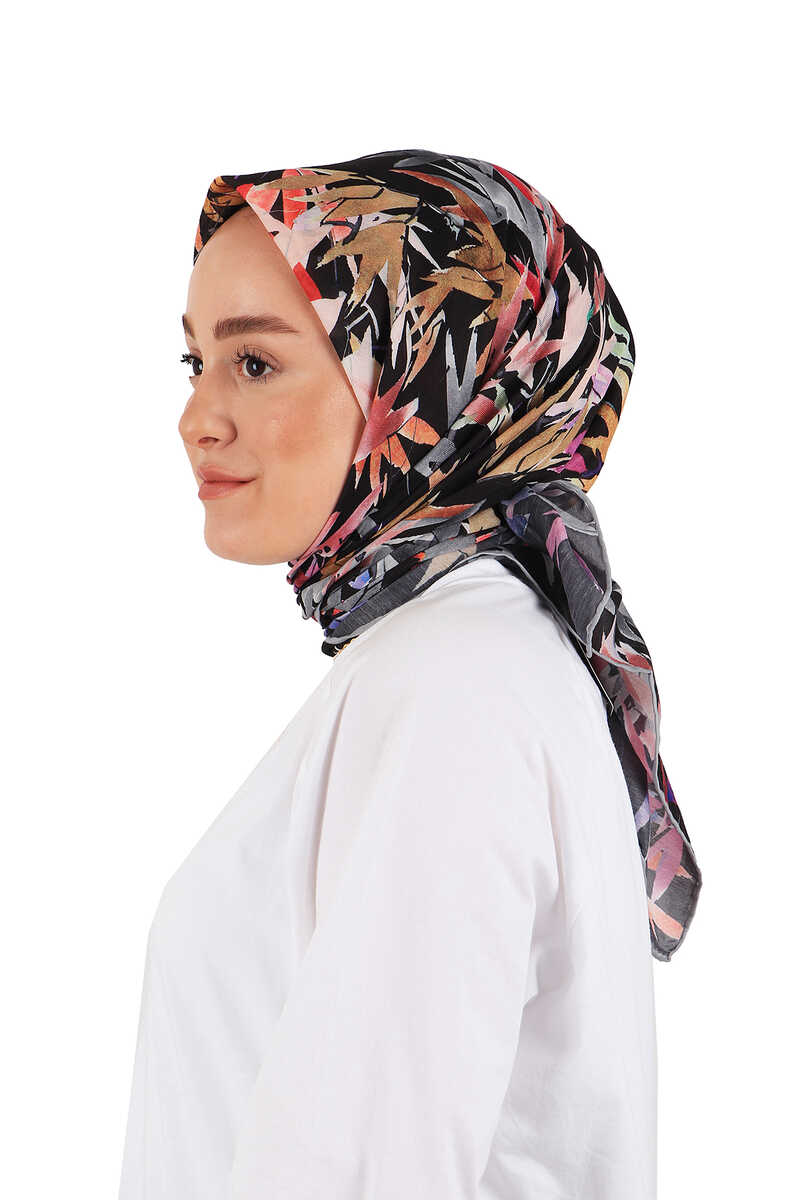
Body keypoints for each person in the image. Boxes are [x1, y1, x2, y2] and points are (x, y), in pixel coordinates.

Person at [117, 149, 702, 1199]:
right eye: (193, 361)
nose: (196, 416)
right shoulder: (463, 659)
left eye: (255, 363)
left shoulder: (457, 686)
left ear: (428, 373)